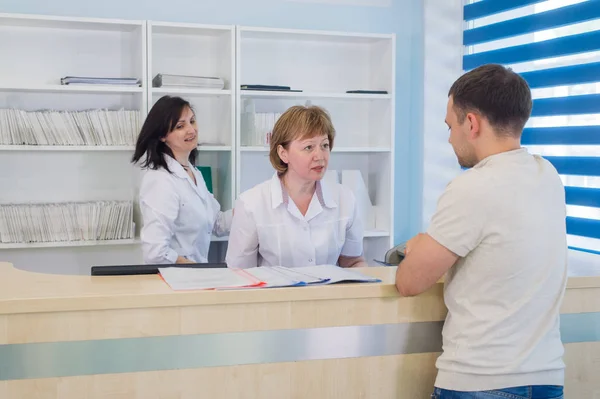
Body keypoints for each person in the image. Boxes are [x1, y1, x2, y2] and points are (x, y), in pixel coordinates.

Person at [395, 64, 567, 399]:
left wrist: (418, 247)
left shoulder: (472, 188)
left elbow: (409, 282)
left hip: (481, 381)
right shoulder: (548, 177)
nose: (449, 138)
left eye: (450, 125)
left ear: (471, 123)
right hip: (547, 379)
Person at [225, 105, 367, 269]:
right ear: (283, 153)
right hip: (275, 294)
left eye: (325, 145)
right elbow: (240, 274)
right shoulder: (251, 204)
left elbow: (353, 261)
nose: (320, 156)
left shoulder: (345, 199)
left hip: (328, 294)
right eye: (309, 147)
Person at [132, 95, 232, 264]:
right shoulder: (160, 180)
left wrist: (252, 206)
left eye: (192, 121)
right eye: (180, 126)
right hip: (175, 281)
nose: (191, 130)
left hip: (192, 279)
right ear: (162, 136)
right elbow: (155, 252)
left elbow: (216, 223)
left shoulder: (193, 173)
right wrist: (198, 271)